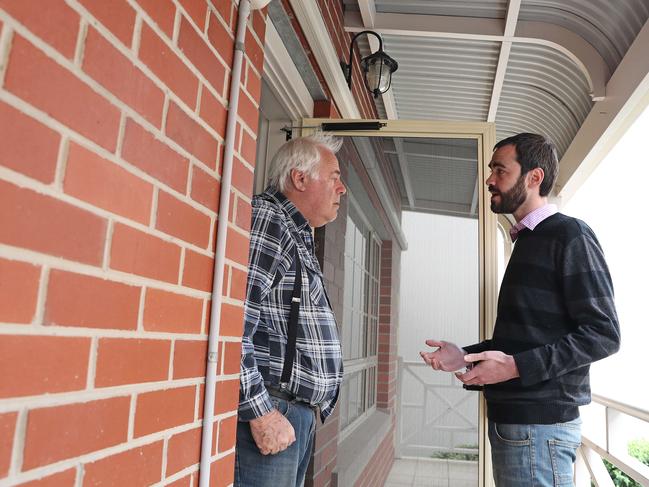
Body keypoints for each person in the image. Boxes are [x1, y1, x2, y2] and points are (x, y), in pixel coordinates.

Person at [420, 133, 620, 486]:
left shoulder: (570, 235)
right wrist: (464, 355)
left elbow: (603, 335)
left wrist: (514, 367)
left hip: (538, 430)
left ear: (534, 177)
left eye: (500, 169)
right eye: (491, 169)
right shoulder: (526, 241)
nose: (489, 179)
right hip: (519, 426)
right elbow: (524, 337)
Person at [235, 133, 346, 487]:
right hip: (271, 412)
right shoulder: (270, 219)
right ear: (299, 178)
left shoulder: (296, 231)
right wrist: (261, 413)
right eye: (334, 176)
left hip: (290, 415)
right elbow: (233, 319)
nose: (342, 188)